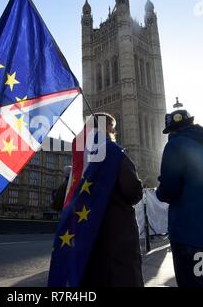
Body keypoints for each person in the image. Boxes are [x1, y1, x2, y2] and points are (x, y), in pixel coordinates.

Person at [51, 113, 144, 287]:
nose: (114, 131)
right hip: (116, 236)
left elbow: (59, 202)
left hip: (85, 237)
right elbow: (133, 191)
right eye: (113, 128)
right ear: (107, 127)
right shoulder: (114, 152)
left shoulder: (79, 161)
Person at [156, 109, 203, 287]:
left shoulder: (176, 145)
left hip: (190, 236)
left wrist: (160, 191)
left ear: (173, 130)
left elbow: (168, 190)